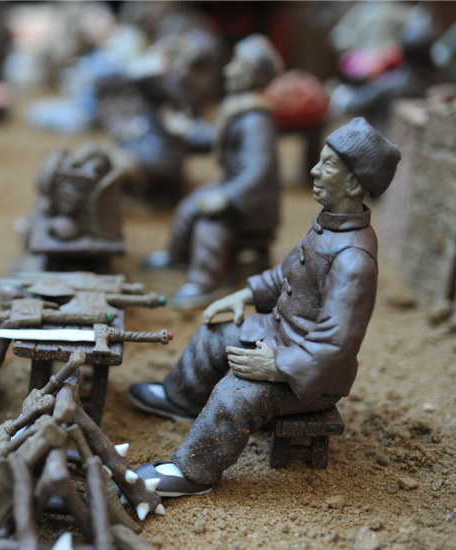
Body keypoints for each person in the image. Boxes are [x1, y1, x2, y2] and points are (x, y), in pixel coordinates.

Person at [129, 118, 400, 496]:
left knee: (235, 393)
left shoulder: (353, 259)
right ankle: (181, 397)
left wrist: (277, 367)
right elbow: (287, 273)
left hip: (311, 373)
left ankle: (193, 471)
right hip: (277, 334)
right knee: (214, 336)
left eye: (327, 165)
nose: (313, 170)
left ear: (354, 184)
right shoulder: (328, 226)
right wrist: (246, 295)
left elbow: (338, 343)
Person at [142, 34, 282, 309]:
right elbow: (216, 138)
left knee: (211, 226)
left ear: (252, 76)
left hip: (252, 204)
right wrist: (187, 129)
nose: (228, 71)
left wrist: (227, 198)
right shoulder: (239, 109)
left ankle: (205, 282)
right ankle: (176, 256)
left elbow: (258, 170)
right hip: (235, 190)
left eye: (236, 67)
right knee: (190, 205)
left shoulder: (256, 121)